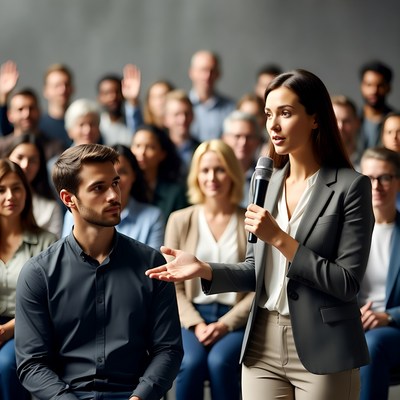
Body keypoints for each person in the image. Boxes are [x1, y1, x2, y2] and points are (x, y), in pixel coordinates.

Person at [146, 69, 375, 400]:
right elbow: (256, 272)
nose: (274, 125)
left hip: (324, 345)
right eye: (269, 114)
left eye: (286, 112)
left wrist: (280, 238)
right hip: (262, 342)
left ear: (314, 118)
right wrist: (204, 269)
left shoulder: (351, 187)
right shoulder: (267, 185)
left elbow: (346, 282)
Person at [15, 143, 183, 400]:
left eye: (114, 183)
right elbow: (32, 364)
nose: (114, 196)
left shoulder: (152, 264)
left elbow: (168, 350)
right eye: (98, 188)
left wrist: (140, 397)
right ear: (68, 199)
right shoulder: (38, 274)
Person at [167, 140, 253, 400]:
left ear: (233, 174)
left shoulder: (250, 221)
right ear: (196, 175)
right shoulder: (180, 220)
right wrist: (196, 324)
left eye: (220, 169)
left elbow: (258, 285)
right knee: (191, 363)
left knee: (220, 362)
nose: (211, 177)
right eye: (205, 170)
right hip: (190, 318)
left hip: (236, 320)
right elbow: (174, 286)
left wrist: (225, 324)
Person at [0, 158, 57, 400]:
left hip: (28, 326)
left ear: (27, 193)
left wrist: (8, 329)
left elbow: (50, 300)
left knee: (5, 365)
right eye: (1, 190)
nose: (10, 196)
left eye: (17, 188)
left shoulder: (47, 242)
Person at [62, 144, 165, 249]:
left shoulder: (152, 217)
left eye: (122, 173)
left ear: (134, 175)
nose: (117, 182)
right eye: (99, 186)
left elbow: (153, 263)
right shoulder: (75, 213)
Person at [358, 147, 400, 400]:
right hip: (349, 322)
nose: (377, 186)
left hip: (392, 328)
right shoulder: (345, 231)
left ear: (398, 181)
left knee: (373, 345)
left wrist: (387, 316)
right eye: (369, 178)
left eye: (385, 177)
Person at [5, 133, 63, 237]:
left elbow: (54, 250)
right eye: (19, 157)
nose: (25, 165)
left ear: (40, 166)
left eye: (32, 160)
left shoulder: (50, 208)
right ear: (7, 157)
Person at [131, 124, 188, 219]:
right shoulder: (125, 187)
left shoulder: (175, 193)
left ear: (162, 154)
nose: (142, 153)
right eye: (137, 146)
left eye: (150, 147)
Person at [0, 88, 65, 160]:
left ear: (39, 111)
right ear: (10, 115)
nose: (27, 114)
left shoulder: (55, 147)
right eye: (20, 109)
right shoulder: (1, 147)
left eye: (31, 108)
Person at [188, 50, 235, 142]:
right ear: (192, 72)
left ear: (218, 74)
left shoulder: (231, 108)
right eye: (203, 70)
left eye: (212, 71)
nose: (207, 76)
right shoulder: (181, 108)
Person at [222, 110, 263, 207]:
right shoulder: (214, 174)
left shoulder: (265, 176)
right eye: (237, 136)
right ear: (224, 139)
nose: (243, 142)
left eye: (249, 137)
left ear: (258, 141)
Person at [97, 66, 143, 146]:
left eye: (117, 92)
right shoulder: (96, 126)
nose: (113, 97)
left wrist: (133, 100)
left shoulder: (132, 123)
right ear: (99, 98)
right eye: (107, 93)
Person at [358, 60, 394, 151]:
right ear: (362, 86)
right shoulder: (352, 119)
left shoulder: (396, 122)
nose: (374, 91)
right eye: (369, 85)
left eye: (380, 85)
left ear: (388, 88)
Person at [163, 89, 200, 179]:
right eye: (176, 114)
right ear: (166, 119)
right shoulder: (159, 150)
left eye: (186, 113)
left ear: (193, 116)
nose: (183, 119)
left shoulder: (201, 149)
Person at [39, 63, 75, 148]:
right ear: (46, 91)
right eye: (57, 86)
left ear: (72, 88)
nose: (63, 90)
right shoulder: (38, 127)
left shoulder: (85, 126)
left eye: (66, 84)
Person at [331, 95, 362, 169]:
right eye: (334, 121)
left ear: (357, 123)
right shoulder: (316, 162)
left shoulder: (368, 164)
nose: (340, 126)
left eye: (346, 121)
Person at [381, 112, 400, 210]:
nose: (394, 137)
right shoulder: (373, 167)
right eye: (389, 132)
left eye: (399, 131)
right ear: (382, 137)